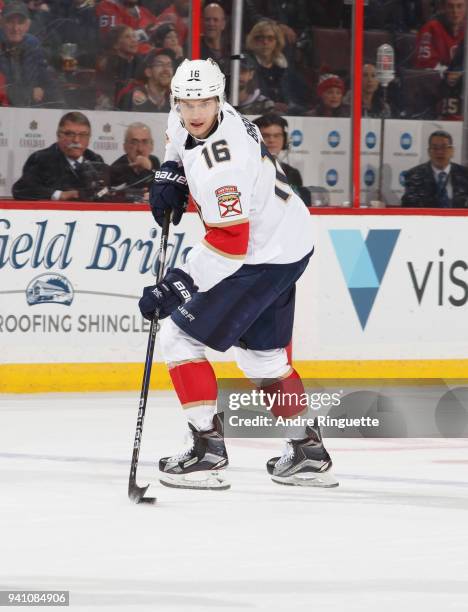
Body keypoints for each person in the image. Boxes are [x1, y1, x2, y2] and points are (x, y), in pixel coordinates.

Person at [138, 58, 338, 490]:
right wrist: (170, 170)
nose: (194, 112)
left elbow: (230, 247)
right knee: (263, 358)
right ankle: (307, 449)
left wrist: (177, 285)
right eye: (186, 101)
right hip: (288, 240)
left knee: (179, 337)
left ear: (219, 99)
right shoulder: (197, 114)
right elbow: (177, 134)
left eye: (204, 102)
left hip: (260, 254)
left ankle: (206, 451)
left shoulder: (222, 167)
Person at [12, 111, 107, 201]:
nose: (76, 140)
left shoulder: (95, 159)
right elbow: (21, 189)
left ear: (89, 137)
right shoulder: (41, 159)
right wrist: (60, 195)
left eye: (83, 135)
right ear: (58, 135)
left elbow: (104, 192)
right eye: (70, 134)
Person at [0, 1, 61, 107]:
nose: (15, 28)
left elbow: (48, 82)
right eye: (10, 22)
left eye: (20, 23)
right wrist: (28, 93)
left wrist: (62, 108)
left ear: (27, 25)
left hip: (30, 111)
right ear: (1, 22)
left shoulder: (33, 44)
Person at [401, 130, 468, 208]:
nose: (439, 152)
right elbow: (408, 208)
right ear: (429, 151)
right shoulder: (414, 176)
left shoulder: (464, 175)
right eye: (435, 148)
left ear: (452, 151)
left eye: (444, 147)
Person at [252, 113, 303, 194]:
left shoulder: (292, 173)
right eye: (265, 136)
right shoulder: (248, 170)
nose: (272, 140)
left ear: (285, 140)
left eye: (277, 136)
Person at [109, 122, 160, 199]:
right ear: (125, 147)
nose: (140, 149)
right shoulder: (116, 169)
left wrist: (150, 168)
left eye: (145, 142)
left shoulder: (154, 161)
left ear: (151, 146)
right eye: (134, 143)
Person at [415, 0, 465, 70]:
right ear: (443, 7)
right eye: (450, 7)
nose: (455, 11)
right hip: (439, 79)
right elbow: (425, 66)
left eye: (460, 6)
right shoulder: (430, 28)